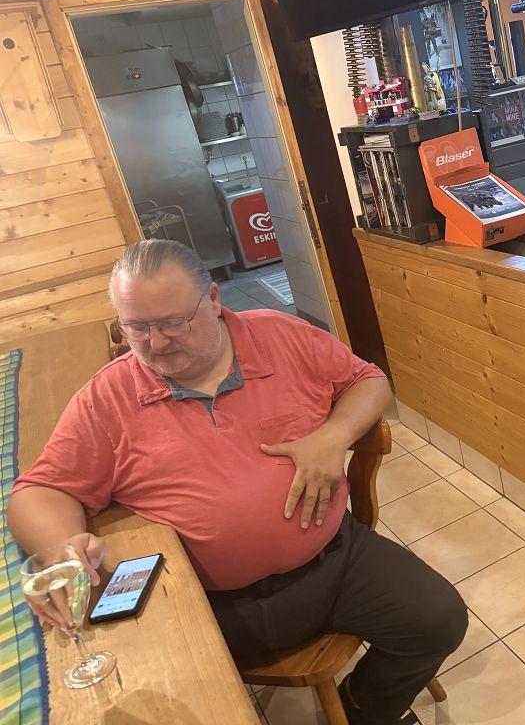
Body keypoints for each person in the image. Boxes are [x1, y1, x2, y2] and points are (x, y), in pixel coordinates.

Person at [8, 239, 466, 725]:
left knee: (439, 620)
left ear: (212, 299)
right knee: (164, 706)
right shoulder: (109, 397)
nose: (156, 344)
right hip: (208, 602)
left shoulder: (281, 336)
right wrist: (62, 548)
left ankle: (363, 709)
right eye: (136, 327)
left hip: (334, 559)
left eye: (172, 322)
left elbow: (368, 380)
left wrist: (334, 435)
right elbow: (39, 491)